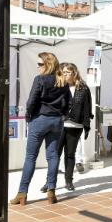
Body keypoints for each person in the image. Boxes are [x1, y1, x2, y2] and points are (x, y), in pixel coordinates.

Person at [11, 52, 70, 206]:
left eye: (40, 64)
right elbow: (68, 102)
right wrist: (62, 115)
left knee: (31, 156)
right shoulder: (62, 80)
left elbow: (31, 101)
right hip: (56, 121)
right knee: (52, 156)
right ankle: (51, 191)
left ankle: (22, 193)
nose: (37, 67)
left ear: (47, 64)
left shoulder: (40, 79)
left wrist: (29, 117)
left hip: (40, 119)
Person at [41, 62, 93, 192]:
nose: (65, 74)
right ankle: (49, 182)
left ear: (74, 73)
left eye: (68, 72)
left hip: (75, 126)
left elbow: (87, 107)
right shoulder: (58, 86)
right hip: (58, 125)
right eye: (63, 72)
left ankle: (69, 181)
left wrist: (86, 124)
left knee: (70, 154)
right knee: (55, 154)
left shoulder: (83, 88)